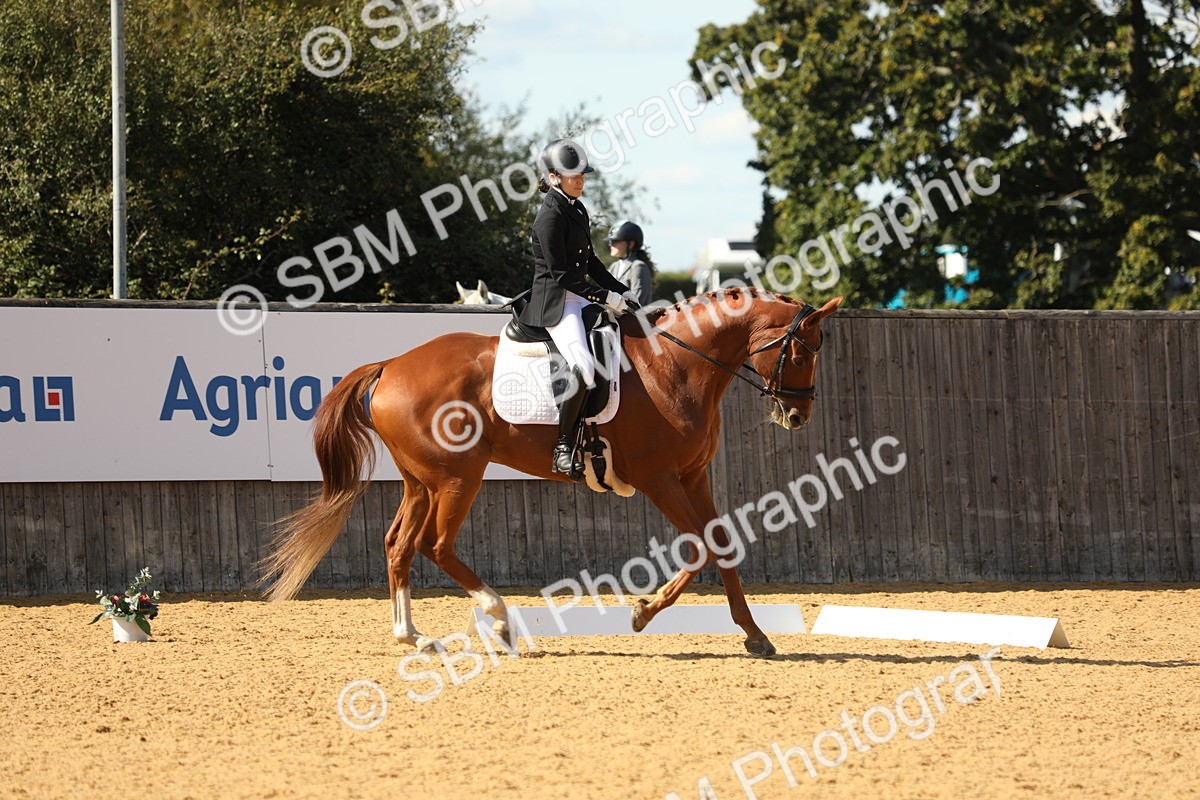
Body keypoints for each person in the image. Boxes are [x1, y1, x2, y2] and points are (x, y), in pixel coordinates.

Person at [519, 138, 639, 478]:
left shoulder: (577, 208)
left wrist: (621, 290)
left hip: (580, 295)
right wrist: (606, 298)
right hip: (557, 303)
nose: (581, 180)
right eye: (574, 176)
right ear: (553, 177)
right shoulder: (549, 217)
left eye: (583, 175)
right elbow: (561, 275)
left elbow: (592, 263)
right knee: (583, 367)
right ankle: (563, 446)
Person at [605, 220, 655, 307]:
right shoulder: (614, 266)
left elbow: (637, 302)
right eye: (610, 242)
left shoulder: (638, 267)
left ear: (631, 244)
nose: (611, 245)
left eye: (615, 241)